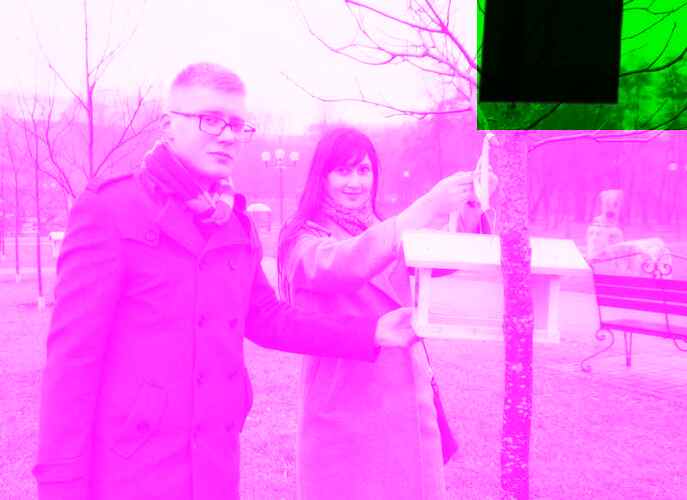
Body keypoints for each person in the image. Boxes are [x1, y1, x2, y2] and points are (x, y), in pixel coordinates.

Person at [32, 64, 417, 500]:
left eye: (237, 125)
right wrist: (60, 486)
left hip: (214, 466)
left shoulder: (234, 223)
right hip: (132, 470)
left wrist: (371, 332)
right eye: (211, 120)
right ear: (168, 125)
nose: (227, 135)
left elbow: (269, 319)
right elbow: (72, 361)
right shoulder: (111, 211)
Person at [277, 126, 497, 500]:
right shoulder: (302, 237)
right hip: (344, 404)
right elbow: (341, 265)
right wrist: (424, 208)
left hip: (406, 399)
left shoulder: (380, 230)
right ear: (321, 177)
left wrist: (470, 210)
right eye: (343, 171)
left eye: (363, 170)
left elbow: (434, 260)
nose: (355, 182)